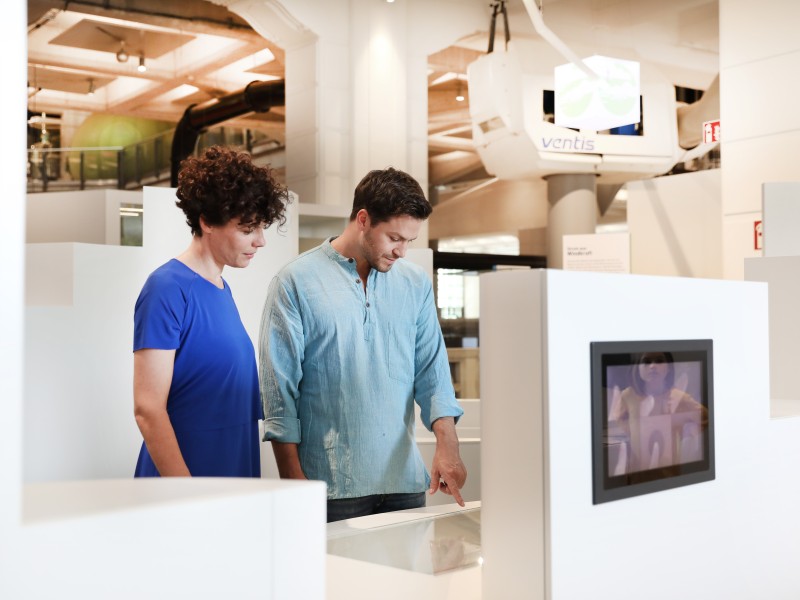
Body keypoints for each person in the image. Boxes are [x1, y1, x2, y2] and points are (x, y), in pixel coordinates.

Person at [259, 167, 467, 522]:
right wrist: (295, 486)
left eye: (409, 241)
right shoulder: (295, 282)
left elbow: (433, 372)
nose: (402, 251)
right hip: (329, 489)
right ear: (363, 219)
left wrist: (448, 448)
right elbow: (280, 395)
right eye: (394, 238)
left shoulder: (415, 283)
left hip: (404, 484)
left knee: (409, 580)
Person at [133, 145, 289, 478]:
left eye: (261, 227)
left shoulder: (221, 288)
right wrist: (189, 494)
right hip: (189, 482)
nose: (260, 240)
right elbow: (148, 409)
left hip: (231, 470)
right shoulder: (167, 288)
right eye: (248, 229)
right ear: (207, 222)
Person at [608, 351, 707, 475]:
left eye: (659, 361)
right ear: (637, 367)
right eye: (646, 362)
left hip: (669, 468)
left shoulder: (678, 396)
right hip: (638, 468)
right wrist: (634, 431)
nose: (653, 366)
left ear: (669, 367)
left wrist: (684, 431)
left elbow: (704, 417)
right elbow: (619, 418)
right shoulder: (628, 395)